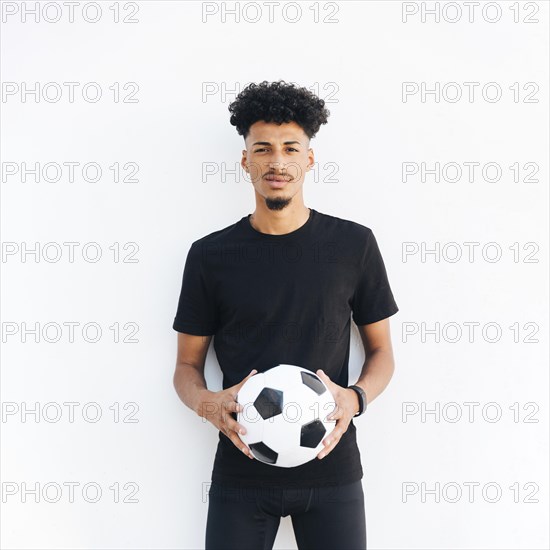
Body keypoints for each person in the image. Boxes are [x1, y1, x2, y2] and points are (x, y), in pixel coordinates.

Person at [172, 80, 398, 550]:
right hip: (241, 475)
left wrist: (353, 399)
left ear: (308, 160)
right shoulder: (210, 255)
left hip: (331, 472)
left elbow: (382, 354)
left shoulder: (353, 245)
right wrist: (205, 402)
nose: (277, 161)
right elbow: (186, 367)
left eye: (290, 148)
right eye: (263, 149)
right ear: (245, 161)